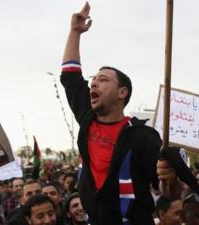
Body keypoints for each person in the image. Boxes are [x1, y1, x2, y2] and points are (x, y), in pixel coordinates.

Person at [60, 3, 161, 224]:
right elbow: (70, 76)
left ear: (122, 92)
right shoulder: (88, 118)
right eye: (93, 80)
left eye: (103, 80)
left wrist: (168, 175)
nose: (94, 83)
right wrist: (75, 32)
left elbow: (163, 185)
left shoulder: (144, 136)